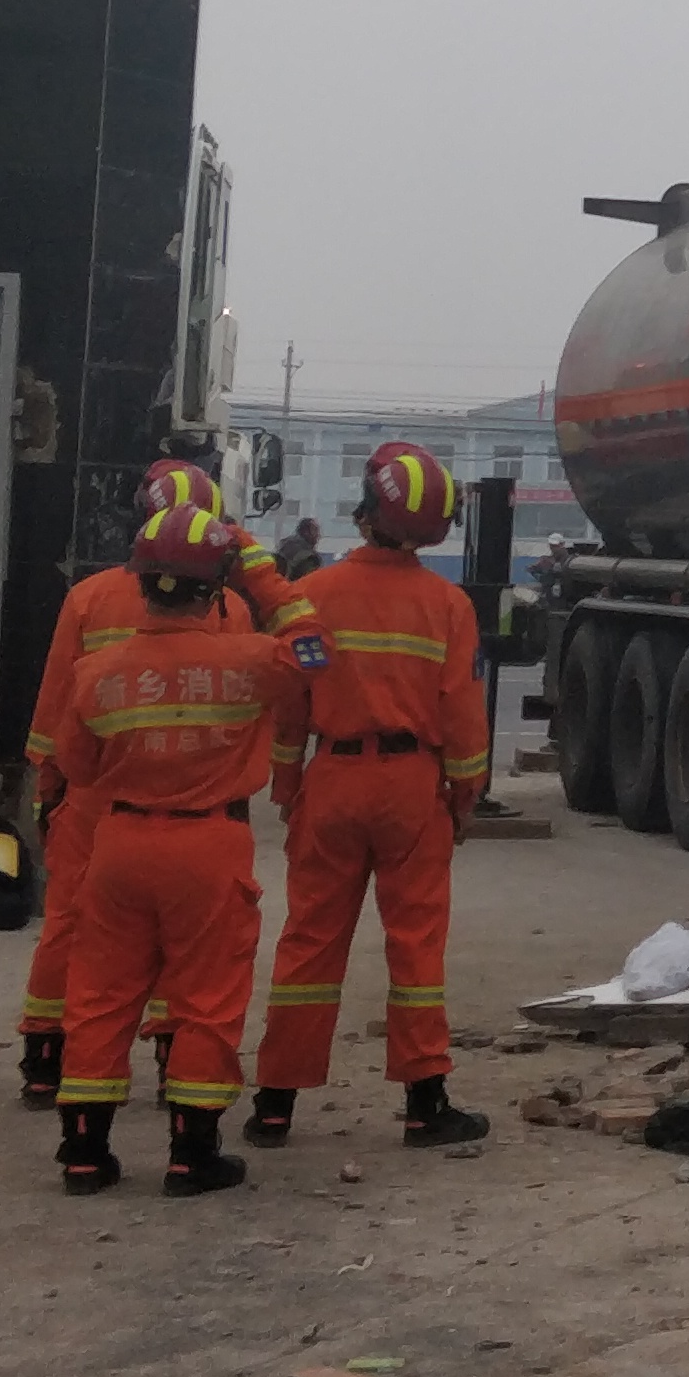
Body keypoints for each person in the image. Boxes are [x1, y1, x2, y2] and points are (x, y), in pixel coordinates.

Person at [13, 463, 301, 1104]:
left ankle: (47, 1056)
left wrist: (49, 790)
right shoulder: (232, 610)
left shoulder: (88, 598)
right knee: (191, 944)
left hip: (101, 796)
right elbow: (266, 685)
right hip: (200, 798)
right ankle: (178, 1059)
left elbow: (56, 704)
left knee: (74, 928)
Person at [245, 441, 495, 1149]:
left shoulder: (314, 595)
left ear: (365, 510)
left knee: (309, 942)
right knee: (416, 946)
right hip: (411, 788)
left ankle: (274, 1105)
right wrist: (464, 795)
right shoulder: (448, 606)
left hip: (333, 779)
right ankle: (425, 1104)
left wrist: (289, 786)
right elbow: (462, 714)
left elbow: (291, 703)